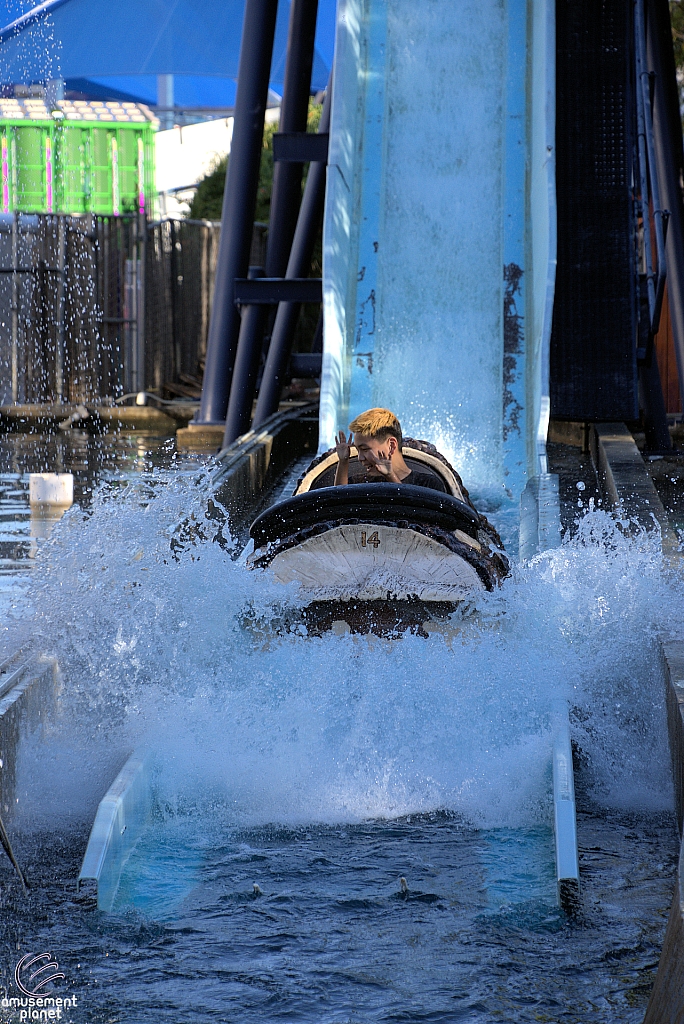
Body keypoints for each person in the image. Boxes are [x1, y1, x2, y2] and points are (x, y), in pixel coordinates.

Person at [334, 407, 446, 491]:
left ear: (391, 445)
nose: (360, 458)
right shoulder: (360, 483)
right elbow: (338, 505)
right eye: (358, 451)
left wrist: (390, 476)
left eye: (365, 449)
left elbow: (411, 512)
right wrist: (343, 462)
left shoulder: (428, 484)